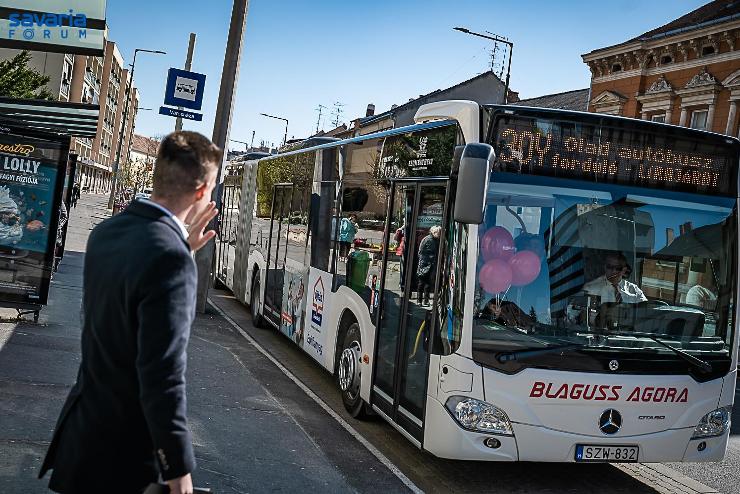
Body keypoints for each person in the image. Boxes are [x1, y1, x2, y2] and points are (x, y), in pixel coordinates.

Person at [38, 131, 221, 494]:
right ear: (201, 192)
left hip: (82, 443)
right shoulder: (171, 260)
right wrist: (179, 471)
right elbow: (162, 374)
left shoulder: (106, 233)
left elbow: (122, 315)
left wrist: (179, 245)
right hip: (124, 462)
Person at [417, 225, 441, 306]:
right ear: (435, 232)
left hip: (424, 263)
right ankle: (424, 300)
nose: (440, 234)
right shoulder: (431, 240)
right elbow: (431, 253)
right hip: (427, 264)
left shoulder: (428, 239)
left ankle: (420, 300)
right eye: (439, 233)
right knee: (425, 283)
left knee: (422, 283)